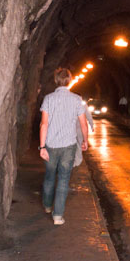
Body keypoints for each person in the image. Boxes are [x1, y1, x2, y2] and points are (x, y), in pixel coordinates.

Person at [39, 68, 88, 225]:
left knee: (49, 176)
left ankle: (47, 205)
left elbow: (44, 124)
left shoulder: (48, 99)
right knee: (64, 179)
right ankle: (58, 215)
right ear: (70, 80)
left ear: (56, 80)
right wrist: (85, 140)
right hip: (68, 146)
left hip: (51, 145)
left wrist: (42, 147)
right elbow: (83, 122)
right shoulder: (76, 100)